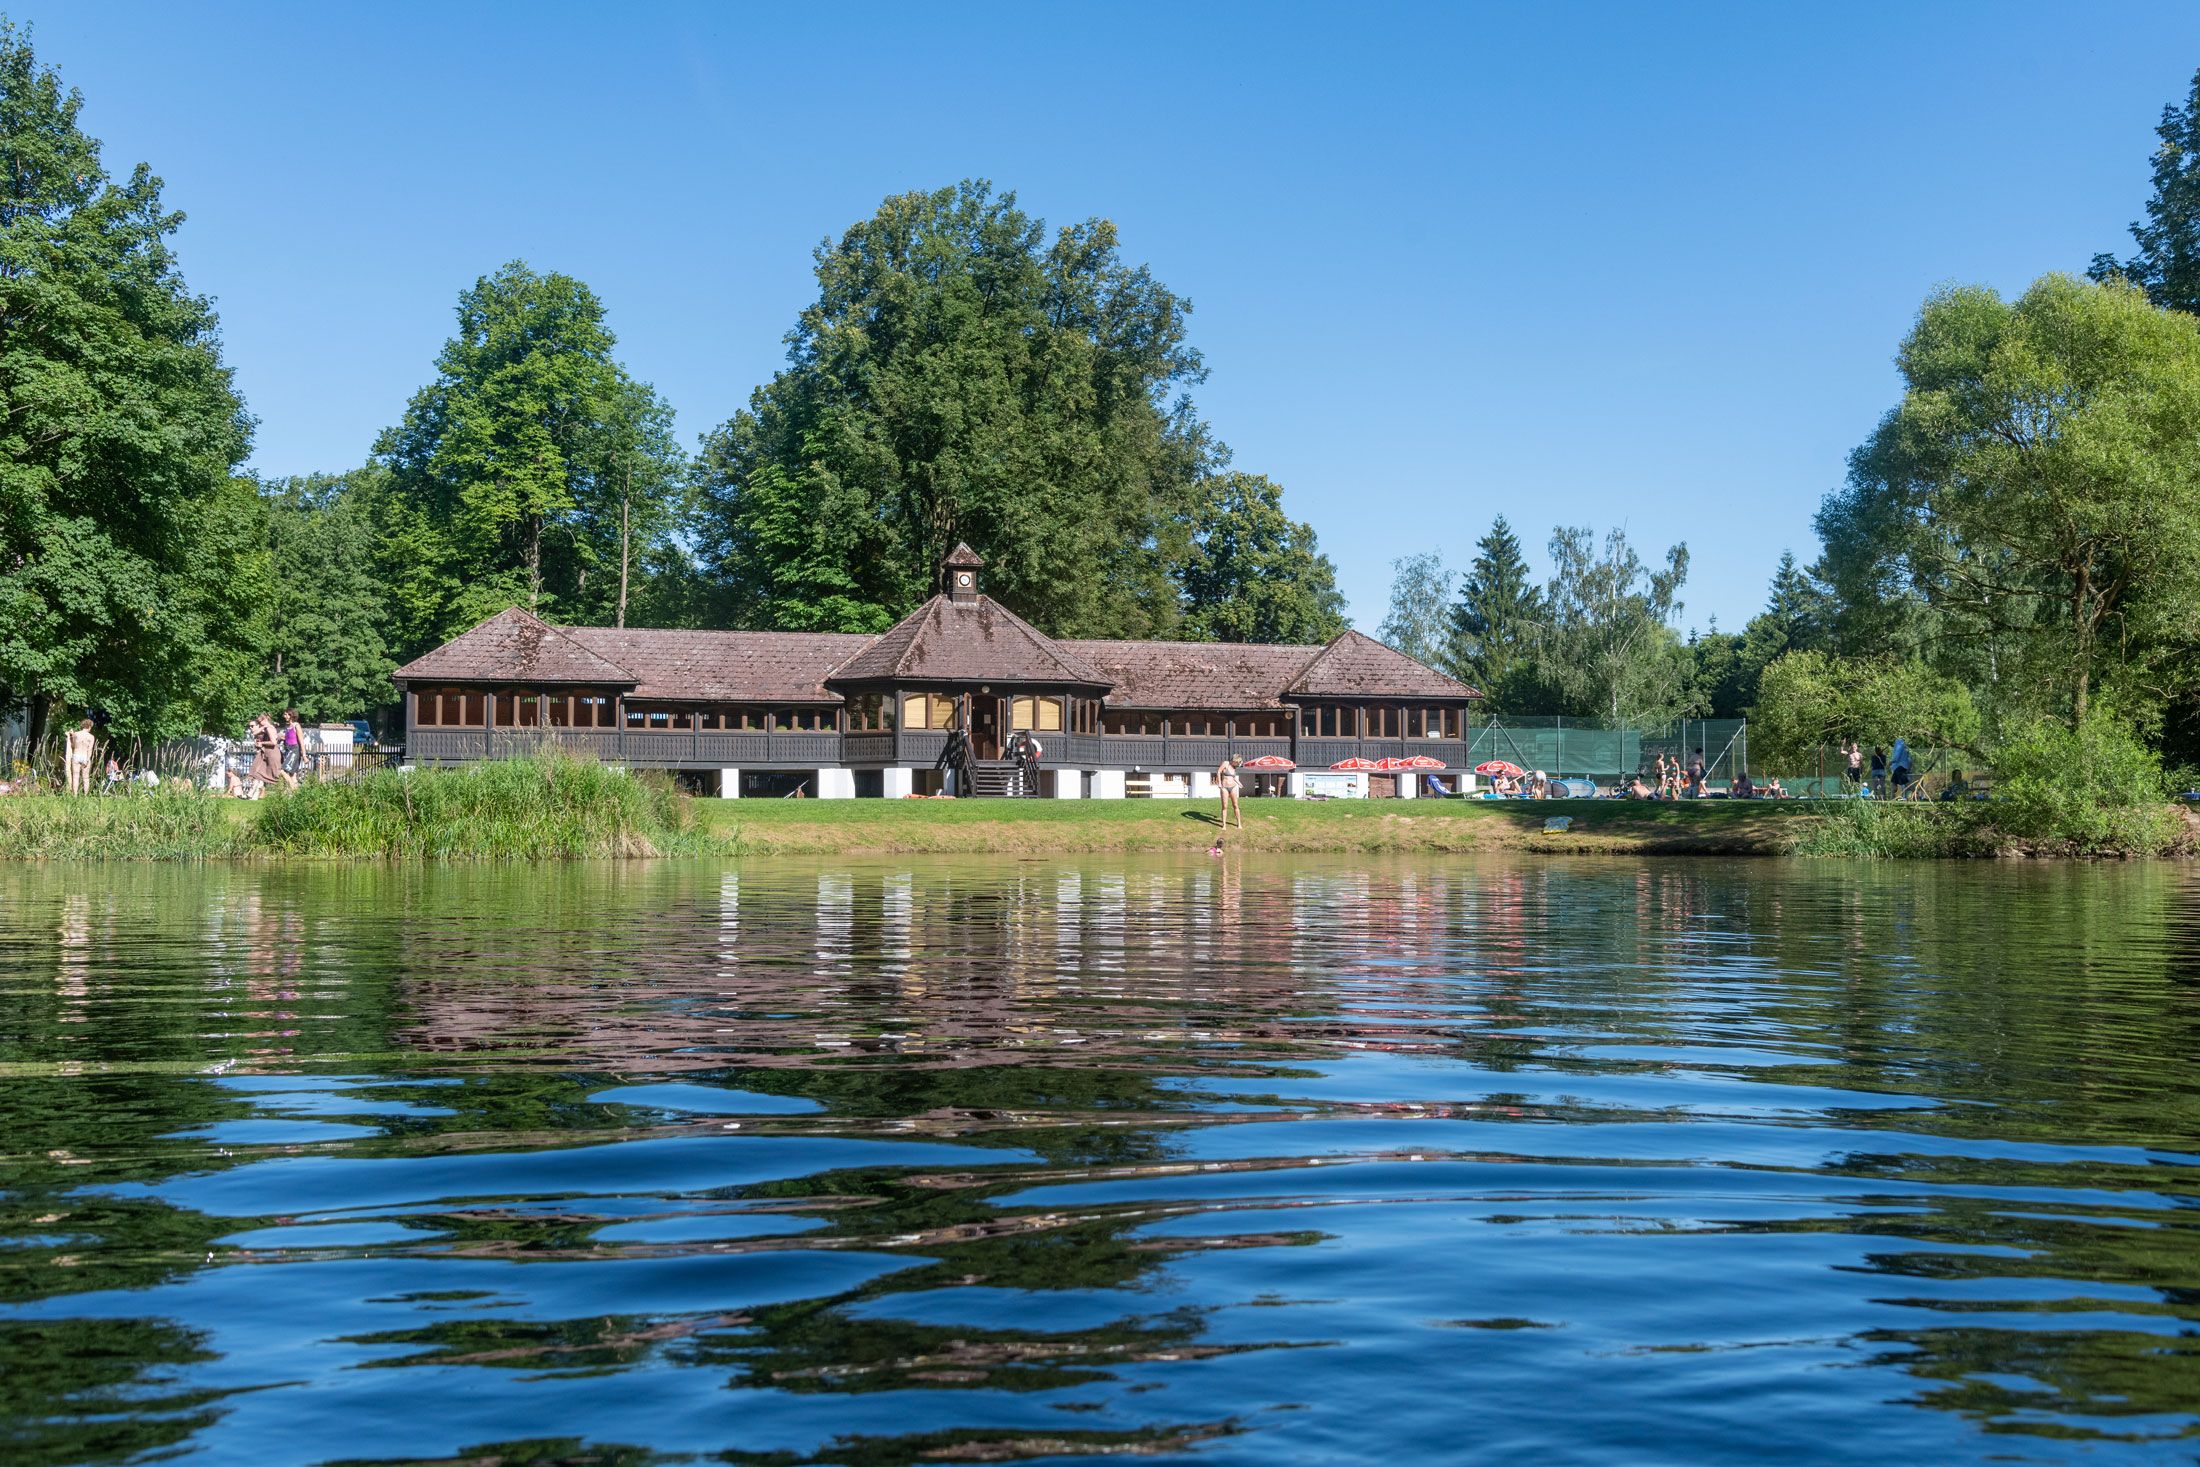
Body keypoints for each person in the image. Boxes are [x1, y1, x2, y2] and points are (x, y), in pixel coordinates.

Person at [247, 714, 282, 798]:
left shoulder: (269, 728)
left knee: (276, 774)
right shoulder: (265, 728)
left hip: (272, 753)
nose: (259, 723)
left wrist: (262, 743)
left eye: (260, 721)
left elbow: (273, 742)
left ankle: (290, 790)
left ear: (265, 719)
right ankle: (251, 795)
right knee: (257, 772)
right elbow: (254, 733)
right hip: (265, 753)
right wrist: (263, 727)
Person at [64, 718, 97, 795]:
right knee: (86, 778)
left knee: (75, 776)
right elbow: (90, 749)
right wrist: (88, 759)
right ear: (89, 726)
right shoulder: (91, 737)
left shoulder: (76, 734)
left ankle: (75, 795)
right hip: (85, 756)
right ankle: (85, 795)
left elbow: (73, 745)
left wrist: (70, 736)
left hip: (76, 755)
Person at [1216, 755, 1244, 829]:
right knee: (1224, 806)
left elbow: (1233, 777)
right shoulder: (1226, 763)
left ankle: (1239, 824)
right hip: (1224, 787)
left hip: (1233, 787)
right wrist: (1219, 783)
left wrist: (1239, 783)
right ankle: (1224, 825)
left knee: (1235, 805)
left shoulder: (1234, 768)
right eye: (1237, 763)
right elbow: (1219, 771)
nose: (1238, 765)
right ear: (1234, 761)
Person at [280, 710, 305, 791]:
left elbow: (301, 740)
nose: (285, 716)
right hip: (288, 749)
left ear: (292, 715)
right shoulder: (287, 727)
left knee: (282, 771)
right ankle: (297, 795)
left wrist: (304, 755)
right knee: (292, 774)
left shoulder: (296, 725)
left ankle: (292, 789)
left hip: (294, 750)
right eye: (285, 714)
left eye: (287, 714)